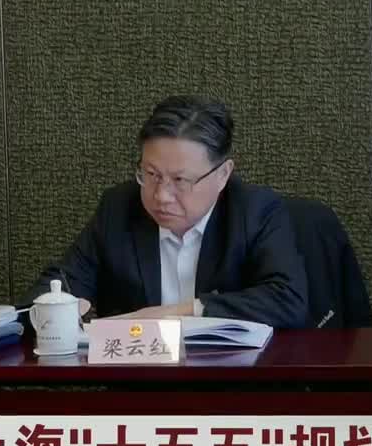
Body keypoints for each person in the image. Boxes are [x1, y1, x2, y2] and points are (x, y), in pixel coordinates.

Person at [28, 96, 307, 327]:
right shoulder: (118, 208)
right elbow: (55, 285)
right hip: (141, 375)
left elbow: (288, 300)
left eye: (180, 180)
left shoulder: (254, 211)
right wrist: (64, 306)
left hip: (229, 374)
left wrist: (184, 311)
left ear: (223, 174)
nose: (161, 195)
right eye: (151, 174)